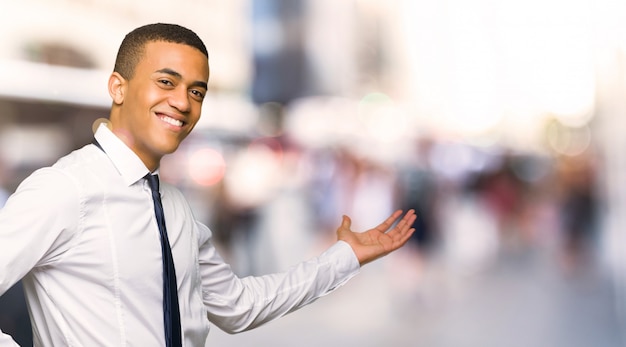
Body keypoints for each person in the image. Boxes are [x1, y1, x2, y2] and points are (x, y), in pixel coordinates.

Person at [0, 23, 416, 347]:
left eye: (196, 91)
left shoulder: (174, 206)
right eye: (166, 82)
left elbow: (237, 306)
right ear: (118, 87)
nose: (183, 102)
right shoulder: (64, 189)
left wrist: (345, 258)